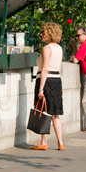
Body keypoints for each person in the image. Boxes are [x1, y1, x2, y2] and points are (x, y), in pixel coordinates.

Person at [30, 22, 65, 151]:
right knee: (55, 113)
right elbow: (59, 67)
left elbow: (44, 69)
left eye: (43, 32)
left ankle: (43, 141)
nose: (41, 34)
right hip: (57, 80)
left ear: (50, 34)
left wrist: (41, 89)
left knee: (43, 110)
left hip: (46, 80)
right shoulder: (59, 48)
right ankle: (60, 142)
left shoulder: (47, 48)